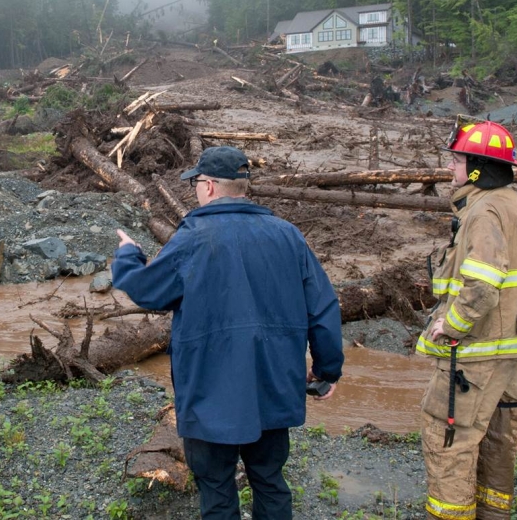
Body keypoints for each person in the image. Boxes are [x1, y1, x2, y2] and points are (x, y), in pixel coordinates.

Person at [112, 146, 344, 520]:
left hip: (209, 394)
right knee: (269, 480)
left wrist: (129, 253)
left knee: (217, 488)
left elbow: (145, 290)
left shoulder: (194, 236)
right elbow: (323, 307)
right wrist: (327, 369)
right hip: (273, 385)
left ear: (208, 186)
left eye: (196, 184)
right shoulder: (288, 234)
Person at [416, 119, 517, 520]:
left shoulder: (484, 212)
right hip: (516, 352)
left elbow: (480, 286)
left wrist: (454, 325)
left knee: (449, 439)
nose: (450, 168)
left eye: (457, 160)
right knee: (499, 439)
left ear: (477, 168)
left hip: (475, 356)